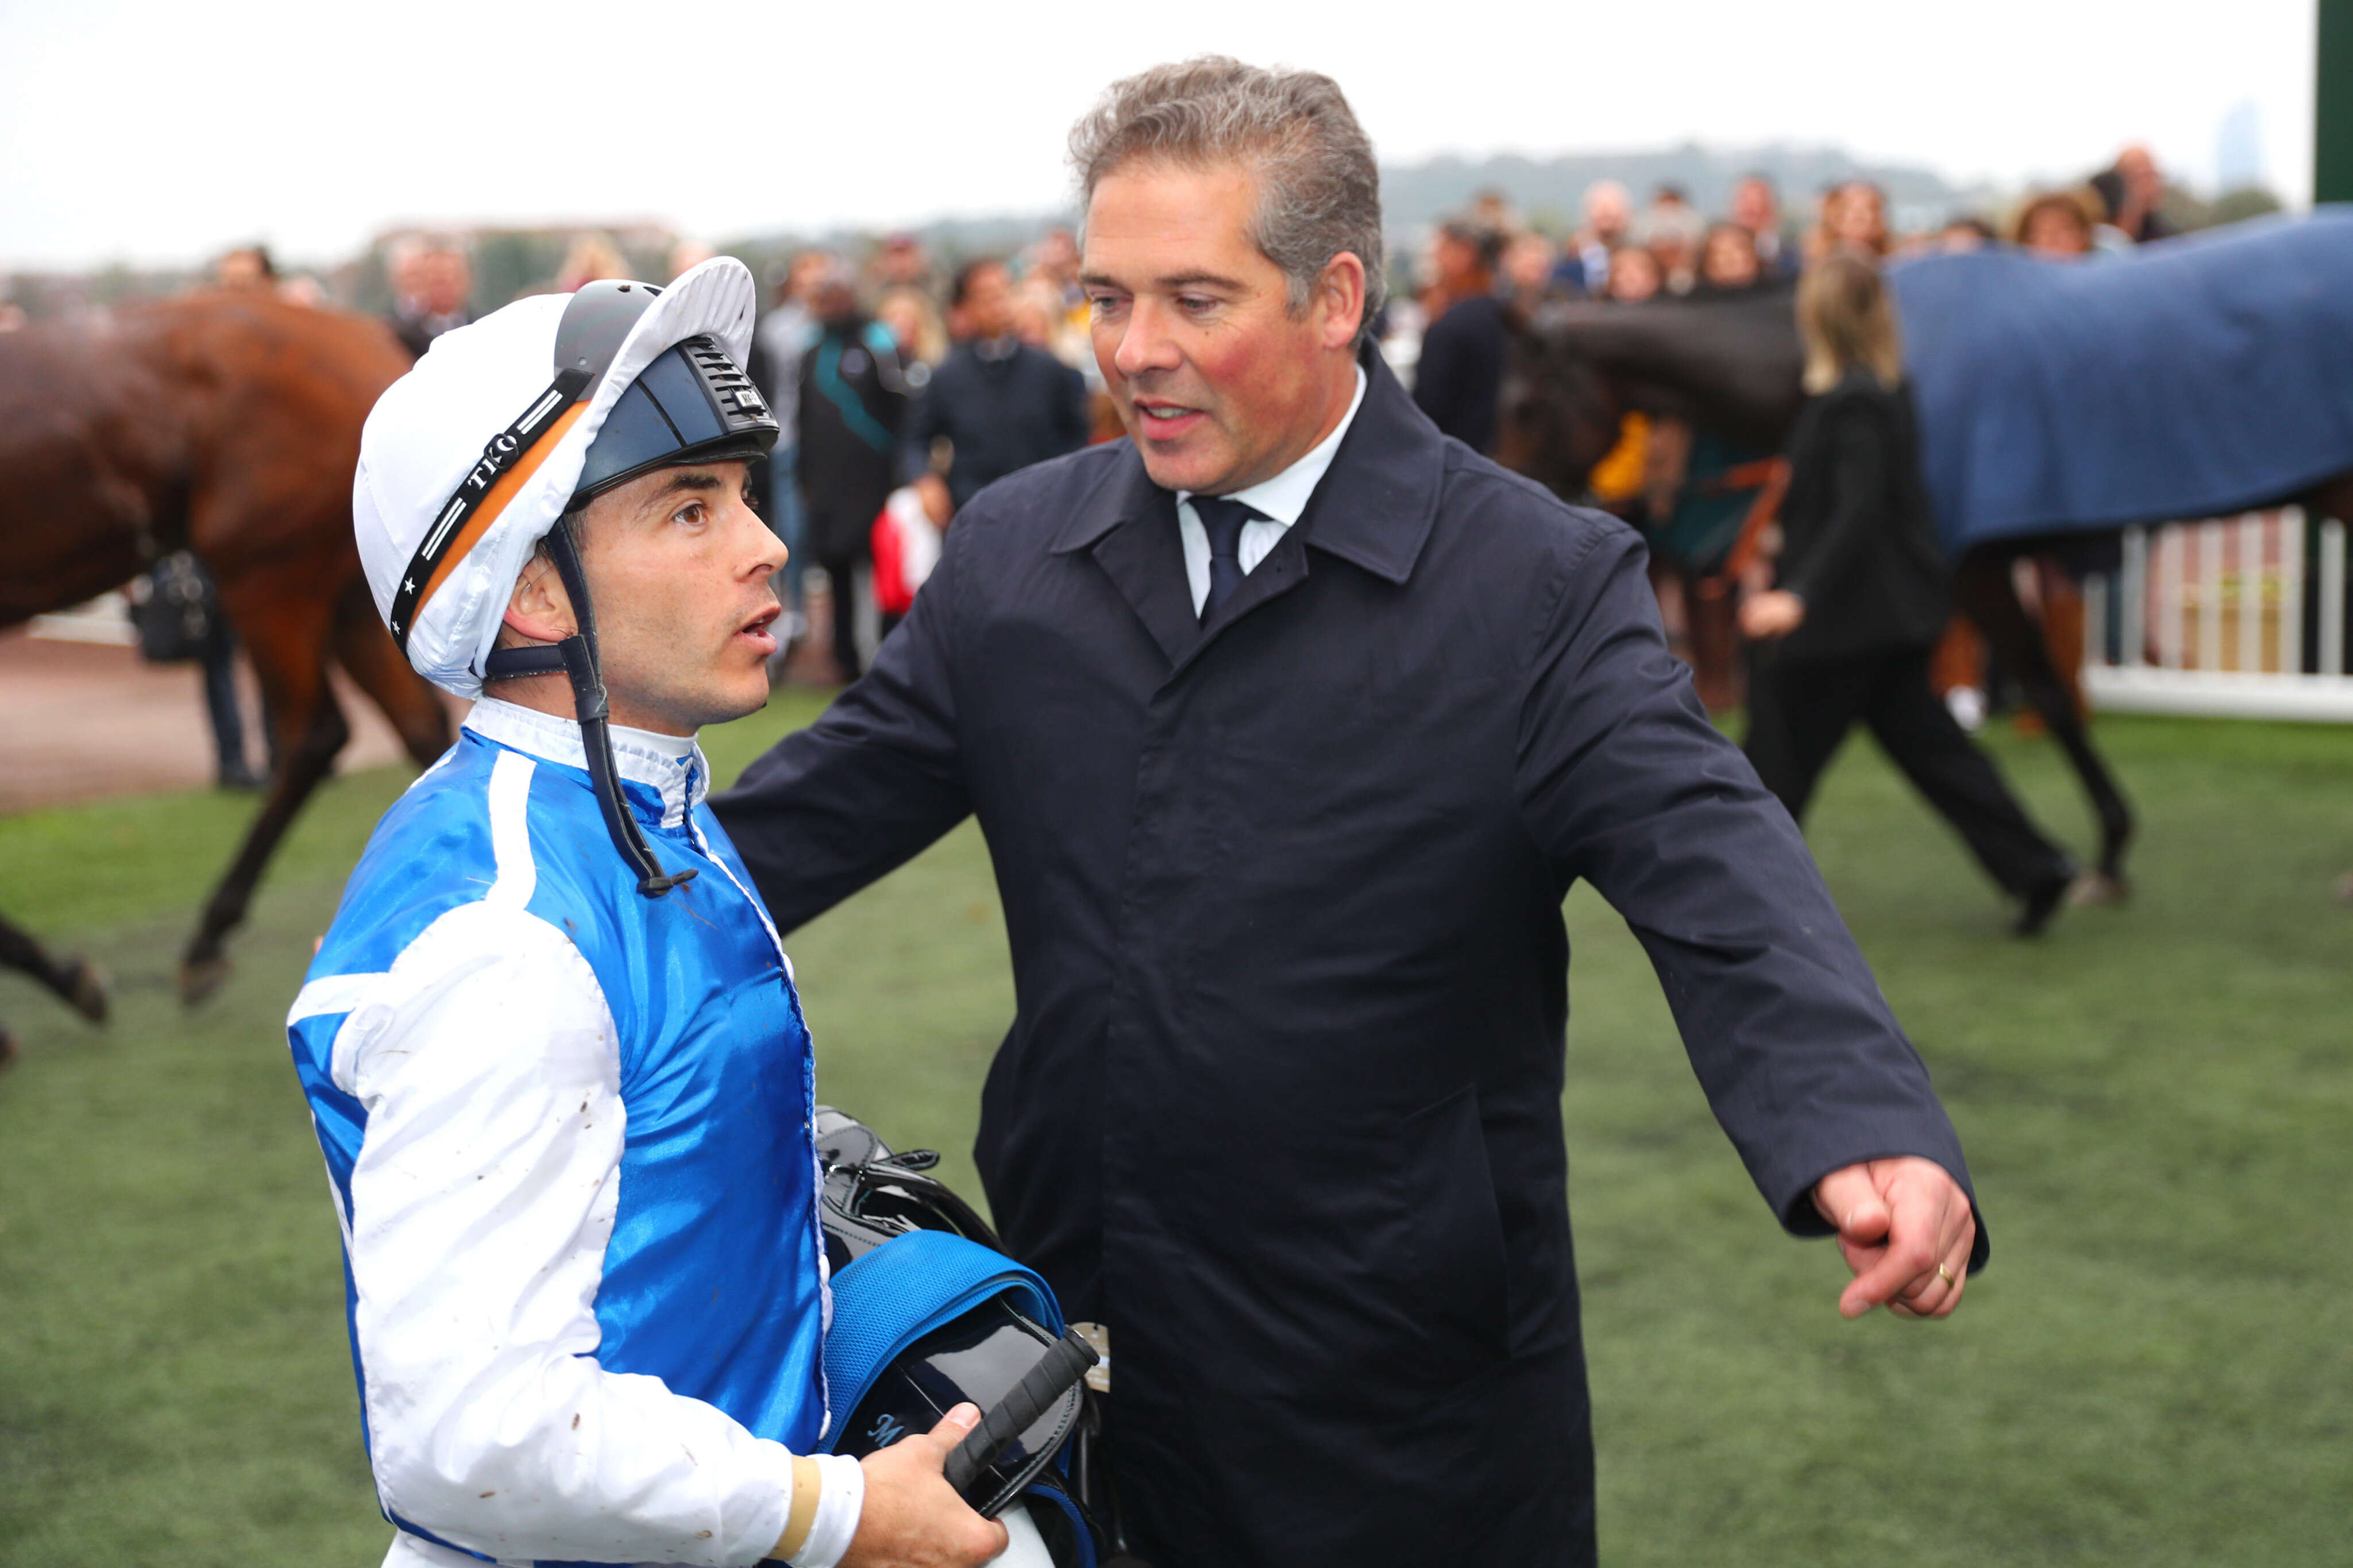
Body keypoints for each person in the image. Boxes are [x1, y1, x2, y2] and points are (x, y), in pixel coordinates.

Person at [715, 57, 1985, 1568]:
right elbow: (781, 835)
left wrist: (1860, 1119)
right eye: (1108, 297)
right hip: (1061, 1370)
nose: (1134, 351)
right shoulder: (1017, 558)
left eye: (1195, 300)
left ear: (1334, 297)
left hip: (1407, 1415)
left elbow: (1714, 862)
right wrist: (535, 922)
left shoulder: (1537, 585)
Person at [288, 257, 1006, 1568]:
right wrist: (841, 1517)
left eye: (738, 494)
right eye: (688, 510)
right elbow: (476, 1439)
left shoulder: (636, 797)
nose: (765, 545)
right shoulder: (507, 943)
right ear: (535, 594)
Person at [1738, 252, 2077, 934]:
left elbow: (1857, 513)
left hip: (1847, 623)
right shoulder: (1877, 393)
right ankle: (2036, 866)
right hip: (1884, 618)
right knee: (1935, 755)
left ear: (1819, 317)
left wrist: (1798, 594)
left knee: (1775, 761)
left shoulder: (1852, 403)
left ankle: (1746, 896)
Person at [900, 258, 1089, 523]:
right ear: (965, 307)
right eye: (986, 296)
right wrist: (926, 481)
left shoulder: (1050, 370)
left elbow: (1078, 436)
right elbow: (915, 441)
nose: (998, 304)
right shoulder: (947, 376)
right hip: (974, 512)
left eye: (1004, 292)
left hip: (1044, 510)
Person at [798, 267, 912, 681]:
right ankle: (846, 664)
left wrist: (902, 475)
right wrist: (804, 479)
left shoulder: (878, 341)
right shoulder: (811, 349)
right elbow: (803, 418)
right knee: (837, 575)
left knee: (883, 574)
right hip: (828, 487)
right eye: (821, 298)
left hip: (875, 482)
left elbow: (904, 409)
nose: (827, 306)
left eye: (834, 296)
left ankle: (889, 660)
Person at [1411, 219, 1511, 454]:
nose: (1435, 257)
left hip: (1454, 456)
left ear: (1464, 254)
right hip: (1494, 457)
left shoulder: (1452, 325)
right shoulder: (1502, 312)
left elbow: (1428, 407)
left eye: (1441, 248)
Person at [389, 244, 473, 361]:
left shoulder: (483, 331)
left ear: (466, 281)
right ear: (421, 284)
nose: (447, 288)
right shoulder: (404, 338)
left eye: (454, 278)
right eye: (438, 282)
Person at [1730, 172, 1794, 273]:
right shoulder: (1712, 265)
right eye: (1748, 213)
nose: (1755, 209)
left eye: (1763, 210)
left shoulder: (1795, 261)